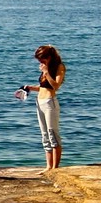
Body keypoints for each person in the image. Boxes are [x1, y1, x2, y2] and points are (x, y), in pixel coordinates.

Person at [21, 45, 66, 174]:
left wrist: (46, 72)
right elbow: (43, 87)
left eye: (42, 60)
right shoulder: (45, 68)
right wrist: (30, 87)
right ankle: (48, 166)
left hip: (50, 102)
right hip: (40, 101)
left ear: (49, 57)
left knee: (53, 134)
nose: (40, 63)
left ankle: (55, 168)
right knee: (45, 135)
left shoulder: (59, 67)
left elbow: (55, 86)